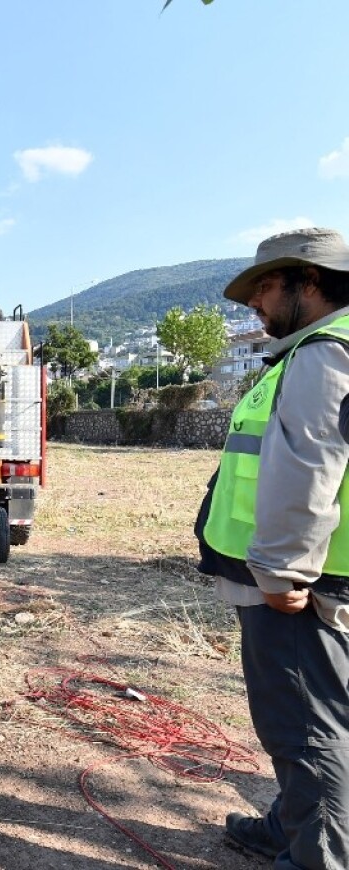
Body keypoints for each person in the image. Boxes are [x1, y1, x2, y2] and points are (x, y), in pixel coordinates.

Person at [194, 227, 349, 866]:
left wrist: (285, 568)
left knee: (306, 730)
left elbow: (309, 462)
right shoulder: (314, 350)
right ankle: (292, 824)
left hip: (298, 587)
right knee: (315, 719)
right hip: (312, 576)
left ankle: (314, 856)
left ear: (307, 283)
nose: (253, 302)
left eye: (264, 286)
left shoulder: (323, 353)